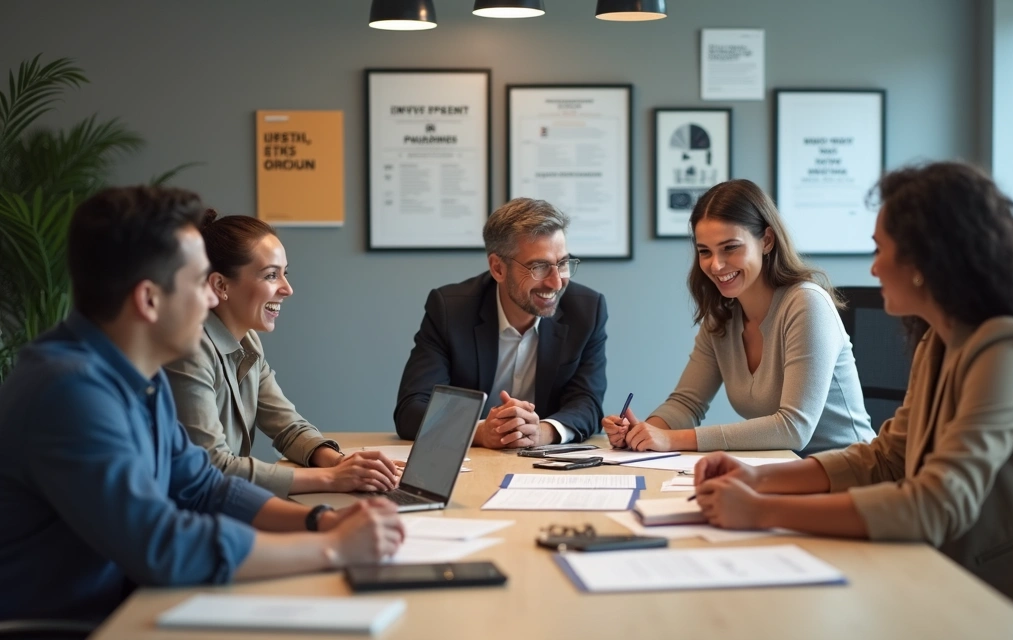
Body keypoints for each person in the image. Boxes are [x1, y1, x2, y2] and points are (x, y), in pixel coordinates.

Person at [692, 162, 1013, 638]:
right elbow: (886, 457)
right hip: (970, 583)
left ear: (928, 258)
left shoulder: (1008, 347)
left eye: (881, 250)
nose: (873, 267)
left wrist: (761, 510)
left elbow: (937, 504)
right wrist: (758, 477)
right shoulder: (938, 340)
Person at [0, 186, 404, 622]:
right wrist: (333, 548)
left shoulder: (140, 375)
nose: (212, 299)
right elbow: (161, 545)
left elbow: (203, 486)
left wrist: (322, 521)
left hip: (124, 606)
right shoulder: (70, 393)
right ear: (149, 299)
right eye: (198, 282)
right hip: (67, 624)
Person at [603, 179, 874, 455]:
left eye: (730, 247)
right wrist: (643, 433)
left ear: (766, 241)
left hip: (849, 470)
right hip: (779, 468)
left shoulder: (806, 304)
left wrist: (671, 439)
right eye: (705, 251)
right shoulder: (722, 315)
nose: (716, 265)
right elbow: (686, 404)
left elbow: (794, 428)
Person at [166, 213, 400, 498]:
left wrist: (340, 462)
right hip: (189, 514)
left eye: (284, 273)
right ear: (220, 286)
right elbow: (213, 466)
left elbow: (288, 427)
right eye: (270, 275)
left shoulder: (248, 342)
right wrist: (331, 478)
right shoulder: (190, 350)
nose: (287, 289)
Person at [394, 197, 607, 448]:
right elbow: (412, 408)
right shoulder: (450, 310)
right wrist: (480, 431)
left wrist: (541, 432)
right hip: (472, 461)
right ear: (498, 268)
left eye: (562, 264)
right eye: (539, 267)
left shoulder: (586, 311)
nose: (556, 282)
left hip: (544, 460)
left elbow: (587, 403)